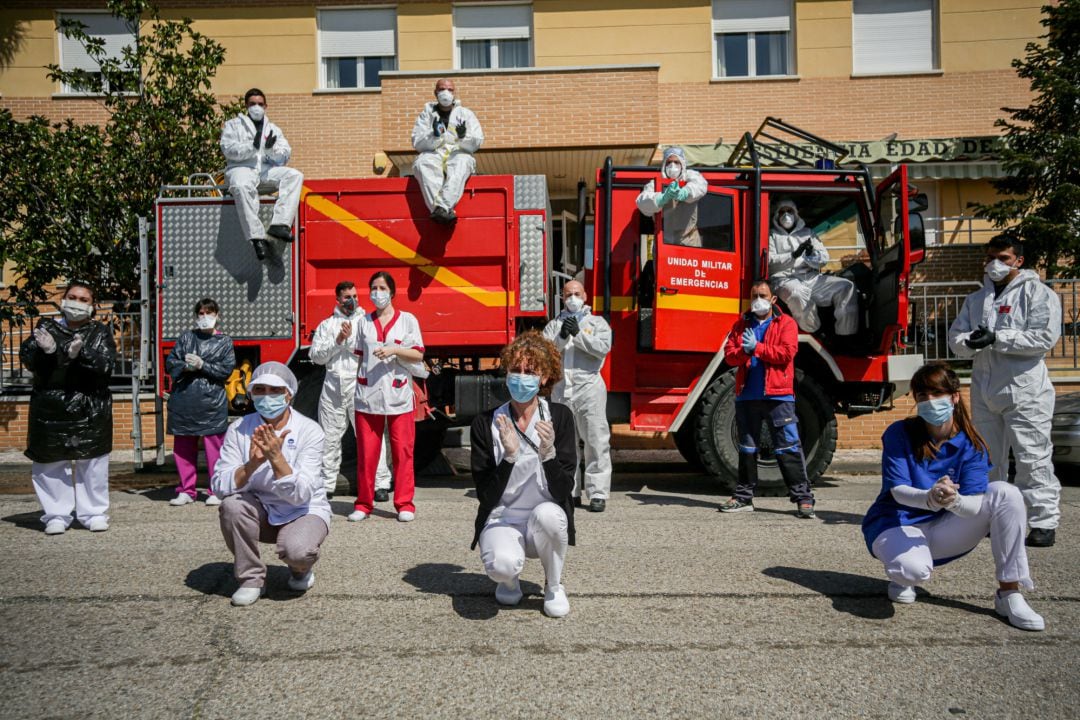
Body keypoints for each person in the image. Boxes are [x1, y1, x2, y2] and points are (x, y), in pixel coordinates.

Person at [861, 362, 1045, 631]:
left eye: (937, 394)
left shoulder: (972, 445)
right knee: (912, 570)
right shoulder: (900, 433)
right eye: (922, 396)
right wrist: (930, 497)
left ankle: (1009, 593)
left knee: (1006, 493)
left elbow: (974, 505)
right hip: (896, 522)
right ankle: (903, 577)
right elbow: (897, 491)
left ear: (955, 397)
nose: (930, 401)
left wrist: (953, 501)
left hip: (944, 525)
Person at [947, 236, 1062, 548]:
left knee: (1032, 457)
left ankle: (1041, 520)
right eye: (990, 257)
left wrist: (997, 338)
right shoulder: (977, 299)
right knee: (988, 459)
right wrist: (969, 342)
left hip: (1025, 390)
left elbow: (1043, 338)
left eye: (1002, 257)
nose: (994, 263)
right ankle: (993, 516)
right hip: (985, 389)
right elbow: (955, 338)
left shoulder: (1039, 294)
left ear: (1018, 261)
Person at [470, 331, 578, 617]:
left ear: (544, 378)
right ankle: (509, 579)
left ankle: (554, 584)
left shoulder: (561, 417)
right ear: (506, 374)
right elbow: (485, 494)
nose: (521, 377)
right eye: (515, 370)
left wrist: (549, 455)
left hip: (541, 520)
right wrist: (509, 457)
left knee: (551, 516)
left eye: (530, 371)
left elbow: (564, 489)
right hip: (503, 517)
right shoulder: (486, 423)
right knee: (501, 565)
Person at [211, 361, 329, 607]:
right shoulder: (239, 429)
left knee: (298, 551)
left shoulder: (310, 430)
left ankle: (300, 570)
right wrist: (252, 464)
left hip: (302, 510)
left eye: (275, 390)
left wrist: (276, 458)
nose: (267, 396)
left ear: (289, 393)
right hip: (261, 509)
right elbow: (220, 486)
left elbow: (301, 494)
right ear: (251, 394)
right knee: (232, 506)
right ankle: (251, 579)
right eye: (260, 390)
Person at [20, 282, 116, 535]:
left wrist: (81, 354)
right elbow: (29, 360)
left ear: (92, 305)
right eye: (72, 297)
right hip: (51, 407)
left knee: (92, 462)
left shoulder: (99, 332)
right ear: (62, 300)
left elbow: (105, 366)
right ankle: (56, 514)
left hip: (89, 407)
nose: (77, 302)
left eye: (83, 299)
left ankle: (93, 513)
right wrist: (48, 351)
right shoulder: (46, 327)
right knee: (50, 462)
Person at [718, 280, 816, 518]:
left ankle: (803, 498)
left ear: (773, 299)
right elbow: (730, 356)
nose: (757, 300)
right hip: (747, 397)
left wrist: (757, 348)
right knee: (747, 448)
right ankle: (743, 498)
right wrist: (745, 350)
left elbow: (786, 353)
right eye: (753, 296)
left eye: (762, 295)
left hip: (778, 396)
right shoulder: (741, 325)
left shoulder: (786, 324)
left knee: (788, 446)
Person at [348, 271, 426, 523]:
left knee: (403, 451)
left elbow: (418, 355)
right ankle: (363, 503)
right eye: (373, 287)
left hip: (398, 393)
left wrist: (395, 349)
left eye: (382, 288)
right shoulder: (364, 322)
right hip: (367, 394)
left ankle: (404, 503)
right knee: (367, 453)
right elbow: (360, 355)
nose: (377, 292)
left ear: (392, 292)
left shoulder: (407, 320)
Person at [309, 281, 393, 500]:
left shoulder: (367, 322)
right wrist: (338, 340)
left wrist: (352, 343)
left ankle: (380, 484)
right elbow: (316, 357)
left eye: (355, 295)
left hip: (360, 386)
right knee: (329, 437)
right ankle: (327, 484)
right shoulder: (327, 325)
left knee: (370, 437)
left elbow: (376, 352)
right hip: (333, 386)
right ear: (338, 299)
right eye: (347, 297)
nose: (352, 300)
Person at [541, 280, 613, 512]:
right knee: (566, 445)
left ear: (585, 295)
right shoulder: (554, 325)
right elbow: (545, 354)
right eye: (568, 294)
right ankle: (570, 491)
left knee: (595, 441)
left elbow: (602, 348)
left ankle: (598, 493)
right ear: (562, 297)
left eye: (576, 293)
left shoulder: (597, 322)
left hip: (589, 387)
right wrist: (562, 337)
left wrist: (578, 334)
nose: (572, 298)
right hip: (562, 390)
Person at [166, 298, 236, 507]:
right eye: (202, 313)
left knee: (215, 449)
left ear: (218, 316)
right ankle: (186, 490)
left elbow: (226, 370)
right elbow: (171, 363)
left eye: (210, 313)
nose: (205, 317)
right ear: (196, 316)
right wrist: (185, 367)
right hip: (185, 400)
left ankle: (216, 489)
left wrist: (203, 364)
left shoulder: (224, 341)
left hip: (211, 402)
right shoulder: (186, 338)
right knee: (183, 447)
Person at [220, 88, 304, 261]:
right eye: (252, 104)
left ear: (266, 106)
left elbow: (284, 156)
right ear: (246, 105)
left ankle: (280, 224)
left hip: (264, 171)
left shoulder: (273, 129)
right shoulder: (233, 125)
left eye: (259, 104)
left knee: (294, 175)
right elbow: (228, 150)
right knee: (241, 185)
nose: (256, 107)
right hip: (242, 168)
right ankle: (256, 237)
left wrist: (270, 149)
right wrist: (251, 146)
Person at [767, 198, 857, 336]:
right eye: (782, 212)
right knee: (798, 293)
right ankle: (815, 331)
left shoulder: (808, 233)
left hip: (812, 278)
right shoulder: (772, 235)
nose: (786, 215)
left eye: (789, 211)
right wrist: (793, 255)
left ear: (796, 213)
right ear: (776, 215)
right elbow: (770, 261)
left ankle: (846, 336)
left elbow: (824, 258)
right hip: (784, 280)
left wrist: (811, 256)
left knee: (846, 287)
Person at [410, 78, 484, 225]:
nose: (446, 93)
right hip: (434, 153)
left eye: (450, 90)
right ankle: (442, 211)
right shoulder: (426, 115)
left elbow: (477, 142)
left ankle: (441, 208)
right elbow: (417, 142)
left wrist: (463, 137)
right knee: (422, 162)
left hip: (458, 153)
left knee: (462, 162)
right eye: (442, 89)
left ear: (454, 93)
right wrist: (434, 135)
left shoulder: (466, 114)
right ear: (435, 92)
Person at [635, 146, 708, 246]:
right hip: (664, 243)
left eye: (676, 162)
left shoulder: (689, 176)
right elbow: (641, 202)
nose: (672, 166)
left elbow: (700, 185)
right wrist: (661, 198)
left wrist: (684, 192)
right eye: (669, 162)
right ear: (664, 165)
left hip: (689, 242)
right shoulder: (655, 184)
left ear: (682, 164)